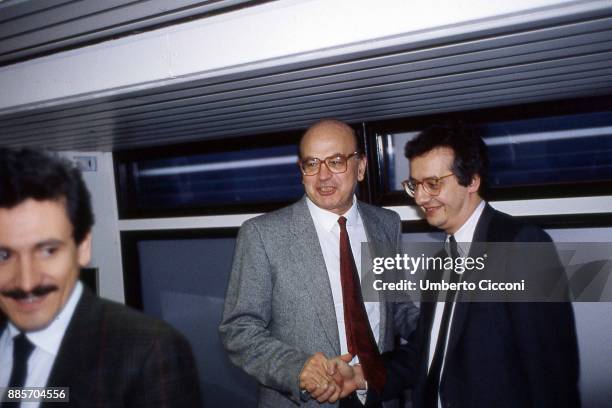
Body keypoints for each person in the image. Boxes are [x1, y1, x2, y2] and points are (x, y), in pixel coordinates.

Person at [328, 124, 580, 408]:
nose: (421, 198)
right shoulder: (439, 262)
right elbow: (428, 353)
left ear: (472, 180)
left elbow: (551, 373)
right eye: (415, 185)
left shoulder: (522, 246)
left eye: (433, 184)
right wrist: (361, 376)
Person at [219, 119, 418, 407]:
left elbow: (397, 307)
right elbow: (238, 329)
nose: (323, 176)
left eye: (336, 161)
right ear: (301, 172)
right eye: (311, 164)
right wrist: (297, 368)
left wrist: (448, 326)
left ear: (360, 167)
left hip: (377, 394)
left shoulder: (386, 224)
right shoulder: (262, 234)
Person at [0, 147, 201, 407]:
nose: (26, 283)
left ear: (83, 248)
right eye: (3, 256)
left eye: (48, 251)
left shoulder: (148, 352)